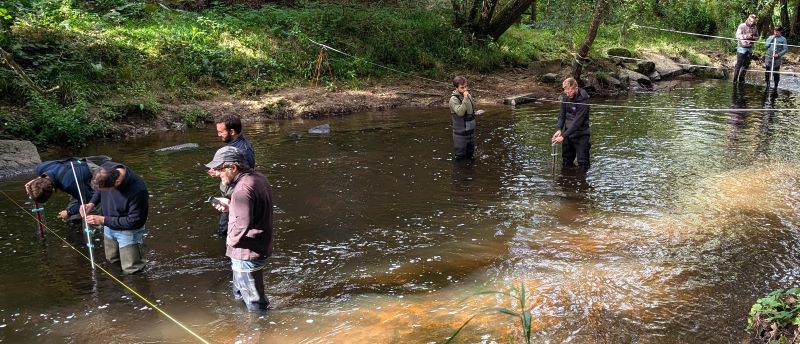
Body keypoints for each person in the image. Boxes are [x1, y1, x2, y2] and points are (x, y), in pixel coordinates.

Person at [206, 146, 274, 312]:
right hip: (258, 245)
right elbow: (251, 210)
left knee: (254, 302)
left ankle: (262, 331)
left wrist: (230, 242)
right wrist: (231, 207)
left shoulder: (242, 190)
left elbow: (242, 224)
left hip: (246, 252)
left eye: (219, 169)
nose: (216, 173)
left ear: (233, 168)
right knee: (240, 294)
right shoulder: (258, 178)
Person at [83, 161, 149, 274]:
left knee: (132, 270)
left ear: (117, 183)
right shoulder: (105, 170)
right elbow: (99, 190)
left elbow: (135, 222)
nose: (102, 191)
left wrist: (102, 220)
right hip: (108, 227)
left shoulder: (138, 190)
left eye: (106, 189)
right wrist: (91, 203)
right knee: (112, 261)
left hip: (129, 232)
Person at [209, 114, 256, 237]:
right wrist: (219, 172)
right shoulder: (240, 144)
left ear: (232, 131)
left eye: (221, 132)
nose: (219, 135)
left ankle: (227, 254)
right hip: (235, 197)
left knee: (225, 231)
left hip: (236, 198)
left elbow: (244, 176)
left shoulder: (240, 151)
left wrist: (220, 174)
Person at [24, 156, 110, 222]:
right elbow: (44, 177)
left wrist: (69, 212)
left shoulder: (69, 184)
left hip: (92, 173)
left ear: (53, 190)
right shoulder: (40, 168)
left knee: (88, 214)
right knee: (73, 218)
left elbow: (89, 200)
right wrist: (36, 181)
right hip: (74, 171)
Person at [551, 77, 591, 171]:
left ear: (576, 88)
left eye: (570, 91)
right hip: (568, 134)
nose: (568, 94)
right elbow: (562, 114)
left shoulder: (584, 100)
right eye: (566, 91)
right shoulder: (566, 97)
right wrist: (559, 129)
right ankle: (567, 181)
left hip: (581, 134)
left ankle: (583, 182)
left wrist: (563, 136)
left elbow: (577, 122)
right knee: (566, 161)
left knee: (583, 163)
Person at [449, 76, 478, 160]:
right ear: (456, 88)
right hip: (460, 134)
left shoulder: (468, 95)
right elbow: (460, 113)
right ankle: (459, 172)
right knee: (460, 157)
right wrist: (465, 98)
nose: (465, 89)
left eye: (466, 86)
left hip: (470, 132)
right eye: (462, 87)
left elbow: (470, 110)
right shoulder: (453, 99)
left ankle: (470, 172)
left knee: (470, 155)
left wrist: (474, 114)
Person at [733, 14, 758, 84]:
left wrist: (753, 38)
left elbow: (757, 37)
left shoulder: (755, 27)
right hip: (741, 48)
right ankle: (734, 80)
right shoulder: (742, 26)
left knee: (746, 65)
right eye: (750, 21)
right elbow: (737, 36)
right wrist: (746, 36)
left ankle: (741, 79)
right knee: (739, 64)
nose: (751, 23)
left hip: (750, 48)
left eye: (753, 21)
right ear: (748, 19)